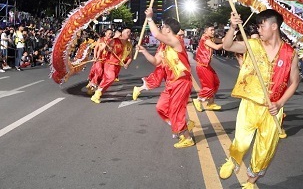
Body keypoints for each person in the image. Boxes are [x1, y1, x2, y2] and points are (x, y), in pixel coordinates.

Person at [218, 9, 300, 189]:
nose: (259, 29)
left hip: (273, 110)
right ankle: (233, 159)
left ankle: (250, 182)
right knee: (241, 140)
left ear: (274, 26)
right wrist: (232, 26)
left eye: (262, 26)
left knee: (264, 151)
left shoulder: (290, 53)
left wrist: (280, 103)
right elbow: (227, 45)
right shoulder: (252, 45)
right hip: (250, 104)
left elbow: (294, 82)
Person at [135, 8, 194, 148]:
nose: (161, 29)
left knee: (176, 110)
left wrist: (149, 18)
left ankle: (186, 137)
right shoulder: (165, 47)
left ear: (168, 30)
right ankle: (180, 125)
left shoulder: (175, 41)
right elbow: (156, 61)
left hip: (181, 82)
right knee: (160, 107)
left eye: (163, 27)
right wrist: (144, 51)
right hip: (171, 83)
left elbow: (155, 33)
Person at [90, 28, 133, 104]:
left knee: (109, 80)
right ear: (122, 33)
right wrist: (108, 48)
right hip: (110, 63)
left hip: (118, 65)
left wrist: (127, 64)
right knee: (111, 77)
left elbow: (130, 57)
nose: (129, 33)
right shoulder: (115, 41)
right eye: (127, 32)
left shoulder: (129, 44)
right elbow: (106, 48)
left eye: (130, 32)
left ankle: (97, 95)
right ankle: (97, 92)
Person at [192, 23, 224, 111]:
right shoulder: (205, 38)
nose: (213, 32)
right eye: (211, 30)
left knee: (215, 83)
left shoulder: (210, 38)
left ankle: (211, 103)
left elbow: (220, 40)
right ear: (206, 31)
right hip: (202, 66)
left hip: (206, 66)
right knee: (208, 87)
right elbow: (217, 47)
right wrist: (226, 44)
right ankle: (198, 100)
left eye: (214, 30)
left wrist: (227, 39)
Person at [86, 29, 113, 94]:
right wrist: (95, 57)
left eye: (111, 33)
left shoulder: (112, 41)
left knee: (103, 75)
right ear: (105, 33)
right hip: (99, 59)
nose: (110, 35)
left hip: (106, 60)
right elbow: (96, 49)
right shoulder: (100, 40)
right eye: (109, 33)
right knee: (99, 70)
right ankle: (92, 84)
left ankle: (93, 86)